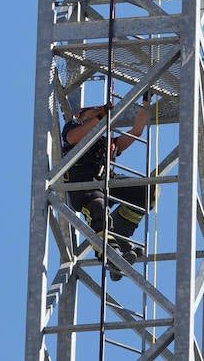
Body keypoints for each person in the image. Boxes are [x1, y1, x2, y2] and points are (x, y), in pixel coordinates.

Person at [62, 97, 156, 281]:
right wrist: (101, 116)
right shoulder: (73, 126)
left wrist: (145, 104)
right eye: (92, 110)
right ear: (81, 116)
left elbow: (136, 131)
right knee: (98, 207)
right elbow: (73, 137)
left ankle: (119, 236)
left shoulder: (105, 143)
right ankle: (110, 254)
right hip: (83, 182)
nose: (97, 110)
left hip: (105, 179)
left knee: (147, 191)